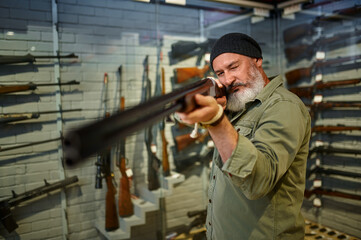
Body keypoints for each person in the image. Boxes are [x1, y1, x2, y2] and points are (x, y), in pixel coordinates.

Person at [177, 33, 311, 239]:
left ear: (257, 61)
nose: (228, 79)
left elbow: (259, 181)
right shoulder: (237, 105)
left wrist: (216, 120)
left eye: (233, 67)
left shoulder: (284, 106)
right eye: (220, 73)